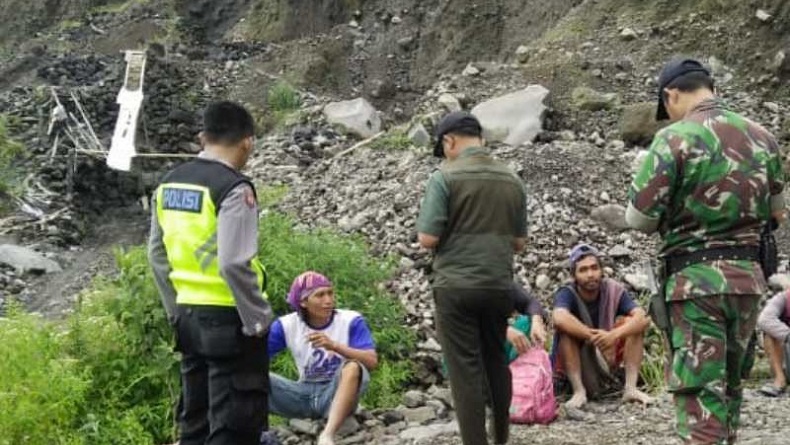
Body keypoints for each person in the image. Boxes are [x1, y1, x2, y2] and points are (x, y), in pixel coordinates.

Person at [627, 57, 786, 444]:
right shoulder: (762, 137)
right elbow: (777, 213)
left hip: (695, 286)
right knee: (731, 390)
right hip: (748, 282)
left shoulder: (673, 139)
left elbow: (640, 219)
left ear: (671, 95)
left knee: (699, 397)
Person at [148, 101, 273, 445]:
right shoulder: (234, 188)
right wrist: (258, 319)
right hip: (230, 319)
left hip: (187, 316)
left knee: (195, 421)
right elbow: (233, 262)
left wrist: (175, 310)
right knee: (233, 423)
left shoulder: (168, 184)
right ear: (247, 142)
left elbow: (156, 255)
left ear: (203, 137)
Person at [416, 111, 528, 445]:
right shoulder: (511, 179)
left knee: (466, 371)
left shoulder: (444, 177)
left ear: (449, 141)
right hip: (498, 286)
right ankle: (501, 437)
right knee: (495, 360)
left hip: (456, 287)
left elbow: (427, 239)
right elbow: (519, 243)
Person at [267, 271, 377, 445]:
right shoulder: (286, 325)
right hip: (302, 393)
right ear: (303, 302)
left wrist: (335, 346)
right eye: (320, 295)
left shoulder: (351, 320)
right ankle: (255, 432)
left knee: (353, 367)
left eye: (330, 293)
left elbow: (371, 361)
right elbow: (256, 358)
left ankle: (327, 434)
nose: (328, 300)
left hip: (335, 393)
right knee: (250, 374)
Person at [551, 243, 652, 409]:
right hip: (579, 360)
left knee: (634, 324)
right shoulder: (567, 293)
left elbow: (643, 317)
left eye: (594, 268)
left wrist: (613, 335)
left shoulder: (612, 290)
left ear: (601, 270)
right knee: (566, 332)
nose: (590, 274)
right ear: (574, 275)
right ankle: (579, 392)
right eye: (583, 270)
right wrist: (594, 337)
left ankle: (631, 389)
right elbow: (559, 317)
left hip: (606, 356)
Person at [756, 291, 790, 397]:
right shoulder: (784, 297)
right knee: (770, 333)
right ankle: (780, 380)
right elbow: (764, 320)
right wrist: (788, 335)